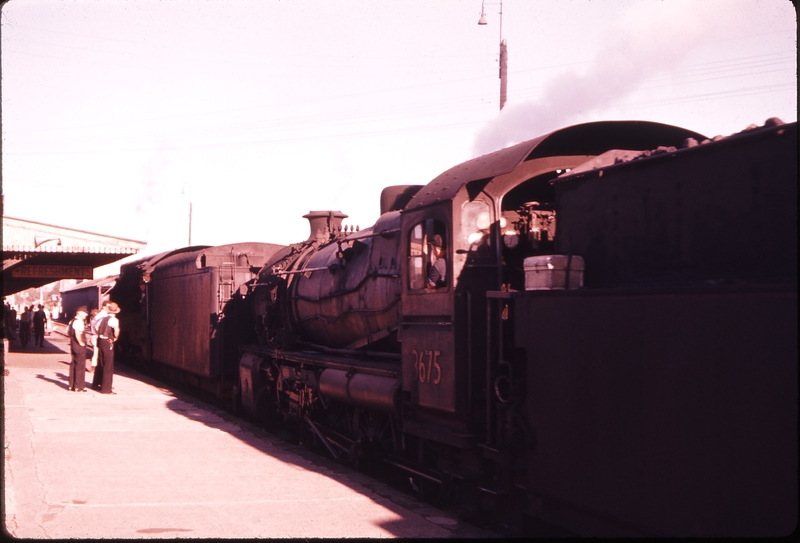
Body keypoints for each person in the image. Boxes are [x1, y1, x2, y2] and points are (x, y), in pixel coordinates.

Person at [93, 302, 120, 394]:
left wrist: (100, 333)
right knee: (108, 365)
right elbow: (116, 330)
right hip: (108, 343)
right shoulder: (114, 320)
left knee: (101, 363)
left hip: (101, 341)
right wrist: (115, 338)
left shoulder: (103, 318)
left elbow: (96, 326)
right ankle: (106, 389)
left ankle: (97, 383)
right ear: (115, 312)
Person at [68, 306, 88, 392]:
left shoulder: (71, 321)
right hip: (79, 345)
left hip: (73, 344)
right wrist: (80, 342)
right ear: (79, 312)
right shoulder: (79, 322)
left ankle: (71, 385)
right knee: (80, 365)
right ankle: (78, 386)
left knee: (74, 364)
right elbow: (77, 333)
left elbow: (68, 332)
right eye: (84, 313)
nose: (86, 314)